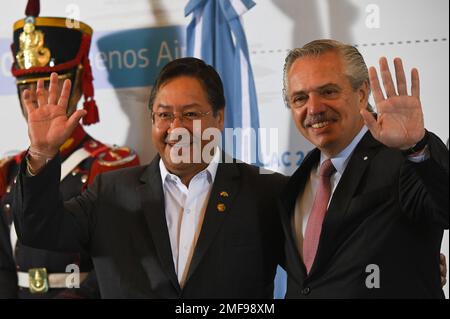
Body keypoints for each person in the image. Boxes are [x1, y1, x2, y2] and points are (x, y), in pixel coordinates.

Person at [10, 57, 286, 298]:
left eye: (190, 114)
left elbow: (312, 279)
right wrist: (42, 152)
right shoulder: (109, 191)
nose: (176, 128)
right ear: (152, 120)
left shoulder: (265, 191)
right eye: (164, 115)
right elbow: (38, 231)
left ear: (219, 118)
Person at [280, 39, 449, 298]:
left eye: (328, 92)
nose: (313, 108)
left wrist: (417, 145)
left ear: (361, 93)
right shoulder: (295, 184)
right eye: (300, 98)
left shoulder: (404, 158)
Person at [0, 0, 139, 298]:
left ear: (77, 85)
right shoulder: (8, 171)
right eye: (27, 87)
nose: (37, 98)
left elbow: (121, 257)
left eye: (49, 86)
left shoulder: (110, 166)